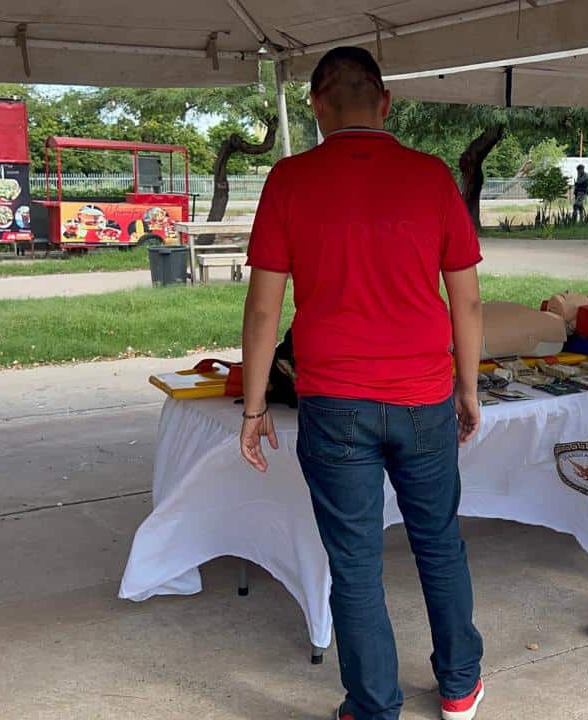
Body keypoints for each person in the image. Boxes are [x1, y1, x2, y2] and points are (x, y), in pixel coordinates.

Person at [238, 47, 486, 720]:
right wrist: (467, 388)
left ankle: (374, 706)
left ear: (318, 107)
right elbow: (465, 300)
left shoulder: (290, 180)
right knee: (438, 540)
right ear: (384, 103)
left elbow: (264, 308)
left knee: (354, 562)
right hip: (425, 396)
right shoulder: (432, 177)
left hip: (335, 401)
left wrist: (255, 406)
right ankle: (461, 687)